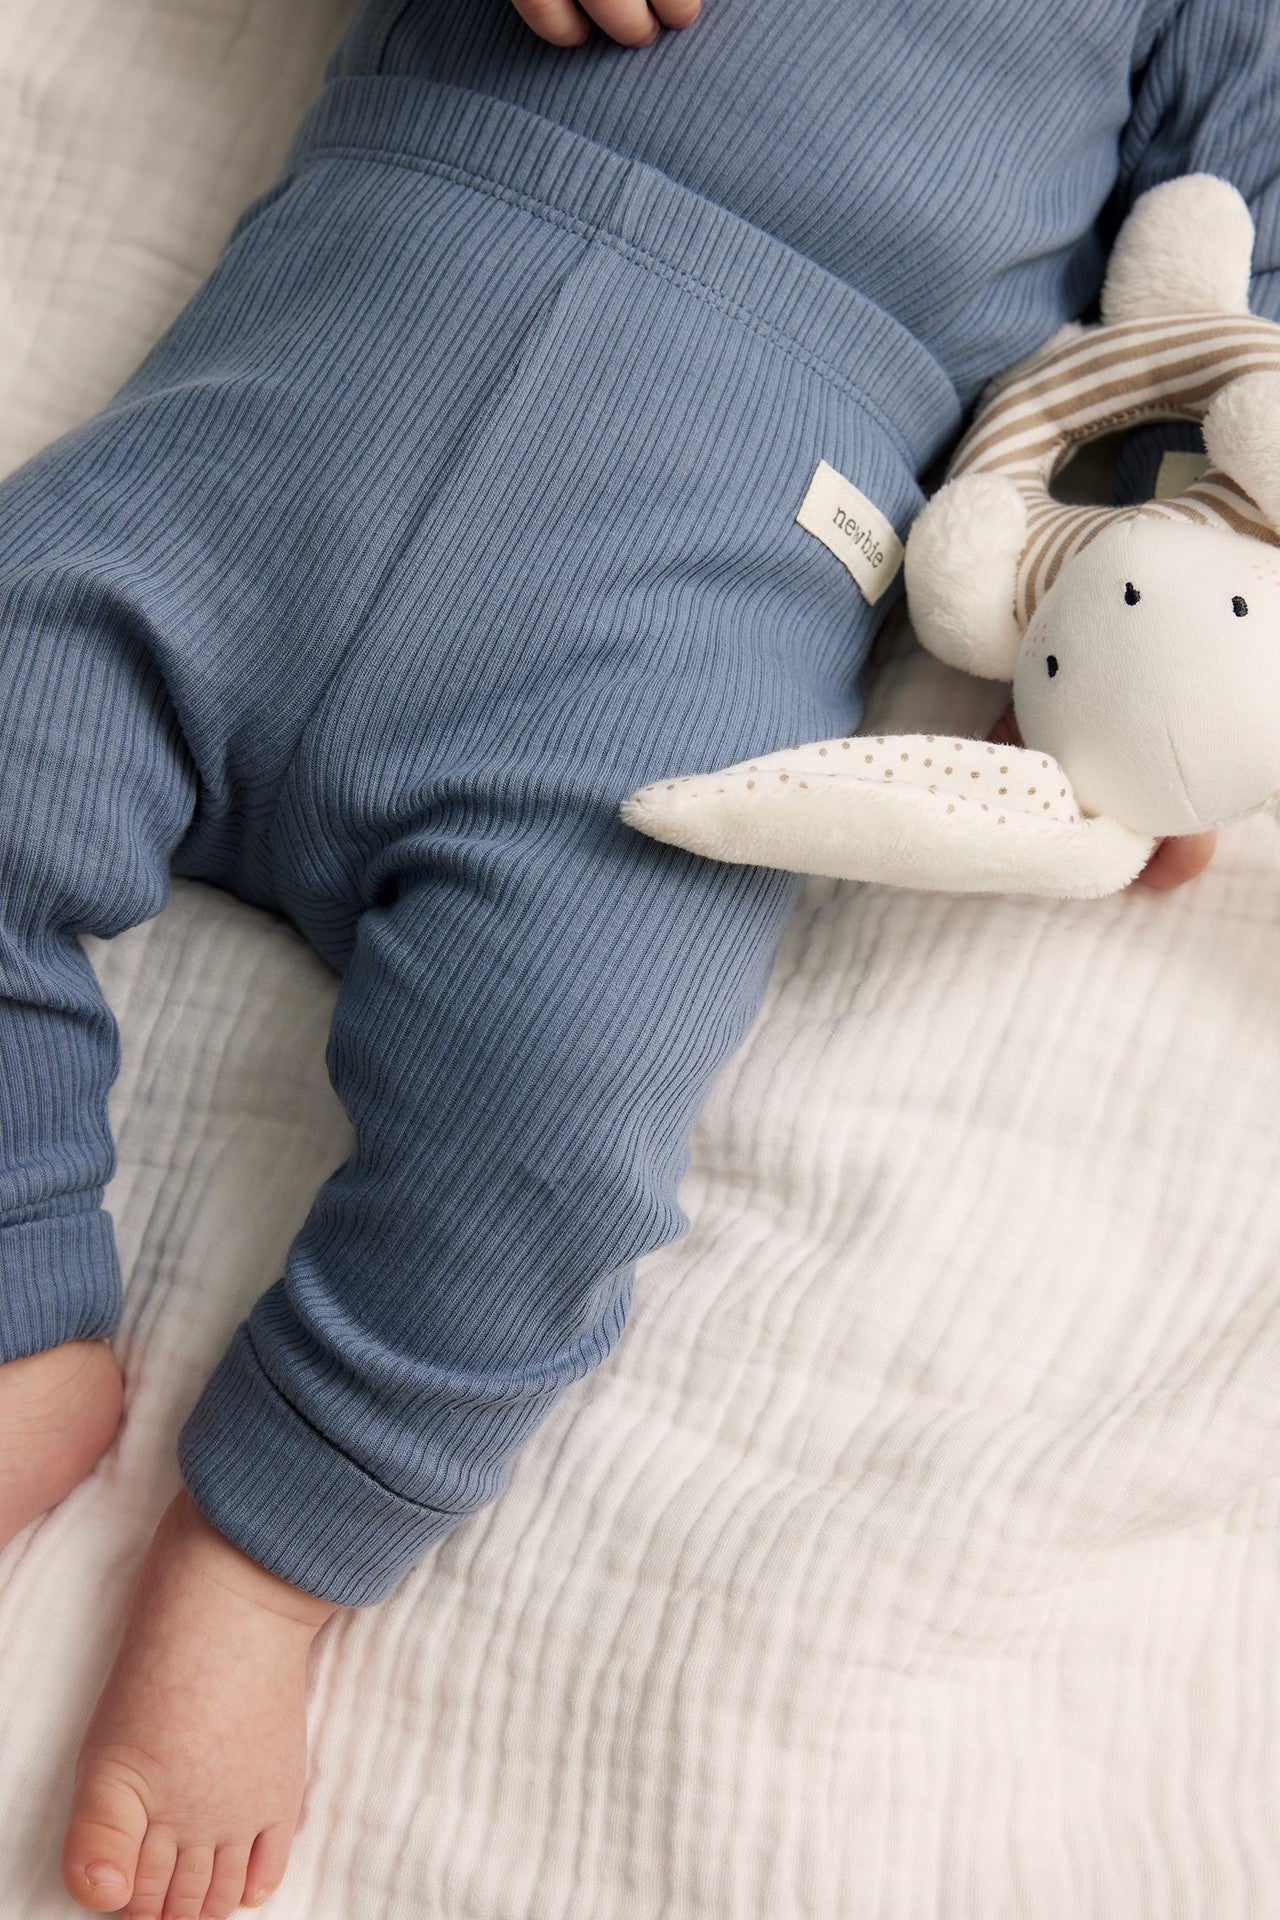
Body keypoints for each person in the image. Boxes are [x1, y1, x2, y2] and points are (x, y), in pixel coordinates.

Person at [0, 1, 1270, 1913]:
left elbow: (1238, 310)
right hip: (290, 400)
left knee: (566, 1093)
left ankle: (270, 1555)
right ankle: (18, 1298)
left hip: (699, 590)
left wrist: (1167, 626)